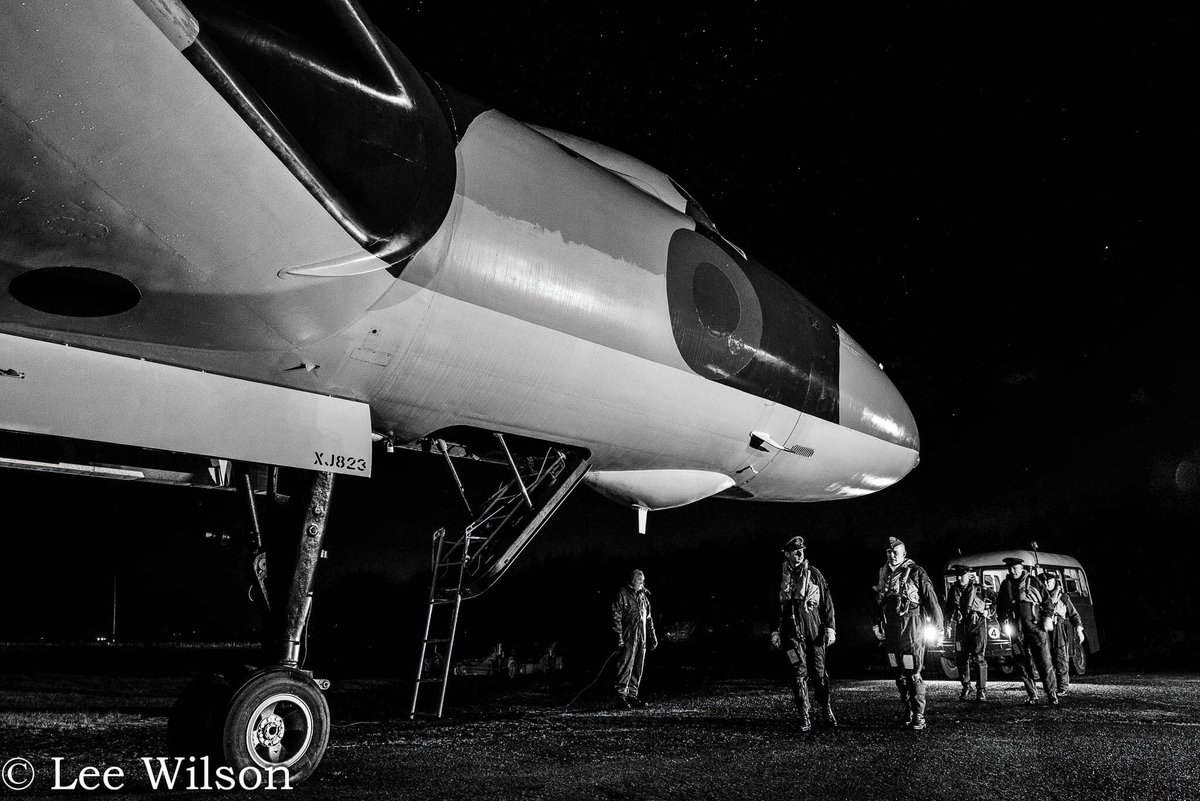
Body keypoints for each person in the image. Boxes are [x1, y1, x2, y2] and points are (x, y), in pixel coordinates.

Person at [770, 536, 837, 732]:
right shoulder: (780, 576)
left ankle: (826, 709)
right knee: (798, 674)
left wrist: (830, 628)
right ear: (787, 554)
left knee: (819, 674)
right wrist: (774, 631)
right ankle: (804, 715)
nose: (799, 554)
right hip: (790, 635)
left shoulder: (814, 574)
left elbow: (827, 602)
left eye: (801, 550)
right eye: (795, 551)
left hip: (814, 633)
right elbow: (774, 606)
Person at [874, 537, 943, 730]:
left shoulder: (916, 572)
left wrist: (938, 628)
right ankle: (909, 709)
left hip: (912, 627)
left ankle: (919, 714)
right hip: (892, 628)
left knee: (913, 671)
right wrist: (876, 624)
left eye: (896, 552)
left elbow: (930, 599)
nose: (892, 555)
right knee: (897, 672)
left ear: (904, 554)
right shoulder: (884, 573)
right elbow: (878, 600)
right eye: (889, 552)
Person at [997, 557, 1058, 706]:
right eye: (1010, 568)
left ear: (1021, 567)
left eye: (1015, 568)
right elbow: (1000, 607)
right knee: (1022, 663)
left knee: (1044, 661)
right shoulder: (1005, 585)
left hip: (1036, 628)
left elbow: (1047, 601)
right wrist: (1001, 623)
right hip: (1017, 631)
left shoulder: (1034, 581)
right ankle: (1032, 695)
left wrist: (1048, 617)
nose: (1012, 571)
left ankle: (1051, 694)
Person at [943, 565, 994, 702]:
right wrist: (946, 625)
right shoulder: (953, 589)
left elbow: (995, 600)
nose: (959, 578)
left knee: (979, 658)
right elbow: (948, 609)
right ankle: (966, 685)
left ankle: (981, 689)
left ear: (968, 575)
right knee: (961, 657)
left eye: (962, 575)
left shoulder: (980, 589)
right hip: (961, 626)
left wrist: (988, 612)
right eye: (957, 576)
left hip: (977, 625)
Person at [612, 568, 657, 708]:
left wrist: (652, 637)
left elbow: (648, 619)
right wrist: (618, 636)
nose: (642, 583)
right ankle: (621, 696)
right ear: (632, 580)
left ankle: (632, 695)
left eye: (643, 580)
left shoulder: (644, 598)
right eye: (639, 580)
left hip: (641, 638)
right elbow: (616, 617)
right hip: (628, 637)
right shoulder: (622, 595)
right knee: (625, 666)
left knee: (638, 667)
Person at [1041, 570, 1084, 696]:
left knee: (1060, 658)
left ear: (1055, 582)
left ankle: (1062, 687)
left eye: (1049, 582)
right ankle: (1051, 686)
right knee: (1046, 659)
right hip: (1045, 629)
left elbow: (1073, 614)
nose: (1047, 584)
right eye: (1045, 582)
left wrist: (1079, 628)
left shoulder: (1063, 597)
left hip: (1059, 628)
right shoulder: (1041, 597)